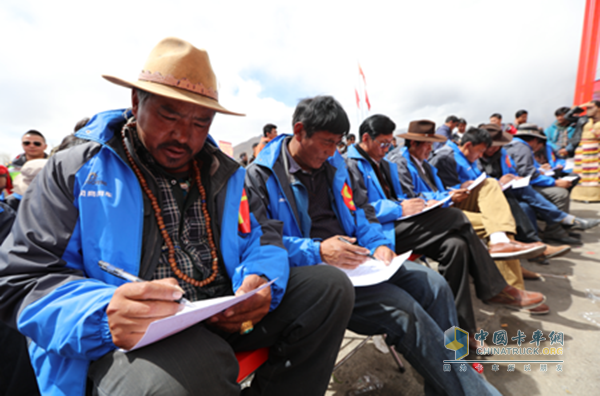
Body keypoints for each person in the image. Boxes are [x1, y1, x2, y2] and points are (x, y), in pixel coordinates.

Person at [0, 38, 354, 396]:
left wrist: (262, 282)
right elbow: (22, 280)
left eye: (201, 123)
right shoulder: (76, 170)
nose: (183, 135)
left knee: (329, 288)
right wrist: (101, 312)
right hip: (127, 336)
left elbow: (262, 238)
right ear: (136, 103)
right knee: (192, 365)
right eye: (169, 115)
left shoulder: (227, 174)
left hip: (221, 311)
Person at [246, 97, 501, 396]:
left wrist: (378, 244)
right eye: (327, 142)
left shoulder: (335, 164)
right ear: (299, 131)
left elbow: (362, 212)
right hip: (319, 277)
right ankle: (473, 391)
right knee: (405, 311)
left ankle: (448, 382)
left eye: (338, 143)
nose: (331, 151)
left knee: (435, 285)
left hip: (361, 262)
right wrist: (317, 251)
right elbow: (262, 241)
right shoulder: (261, 175)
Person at [348, 114, 546, 330]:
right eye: (383, 143)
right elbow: (357, 209)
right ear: (366, 138)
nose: (387, 148)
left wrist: (428, 200)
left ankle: (462, 333)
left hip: (399, 225)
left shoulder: (385, 164)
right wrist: (399, 208)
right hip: (379, 234)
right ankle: (494, 288)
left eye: (389, 143)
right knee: (455, 217)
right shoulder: (351, 165)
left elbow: (404, 197)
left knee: (456, 246)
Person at [428, 126, 546, 260]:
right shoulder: (446, 157)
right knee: (499, 219)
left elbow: (480, 178)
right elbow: (440, 189)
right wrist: (458, 187)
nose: (480, 156)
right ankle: (504, 245)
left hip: (467, 200)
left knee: (501, 221)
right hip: (449, 205)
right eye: (480, 151)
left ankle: (511, 271)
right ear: (468, 145)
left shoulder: (469, 157)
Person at [476, 123, 575, 253]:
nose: (494, 149)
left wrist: (513, 177)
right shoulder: (475, 156)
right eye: (491, 146)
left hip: (506, 189)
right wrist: (498, 181)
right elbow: (474, 178)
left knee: (524, 206)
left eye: (498, 145)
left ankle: (534, 245)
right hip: (488, 193)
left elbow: (511, 169)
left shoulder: (502, 153)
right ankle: (554, 223)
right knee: (523, 198)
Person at [571, 101, 600, 202]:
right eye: (587, 108)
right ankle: (579, 196)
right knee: (581, 172)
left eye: (591, 107)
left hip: (596, 148)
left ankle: (595, 196)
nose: (588, 109)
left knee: (595, 173)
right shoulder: (583, 119)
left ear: (598, 108)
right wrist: (580, 106)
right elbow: (568, 117)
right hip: (582, 147)